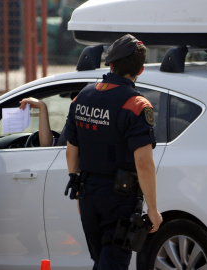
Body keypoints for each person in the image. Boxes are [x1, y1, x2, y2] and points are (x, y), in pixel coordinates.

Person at [63, 34, 163, 269]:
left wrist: (77, 186)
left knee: (102, 261)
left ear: (111, 64)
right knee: (113, 263)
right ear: (140, 70)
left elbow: (71, 150)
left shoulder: (82, 97)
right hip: (119, 199)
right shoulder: (137, 105)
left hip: (87, 195)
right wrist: (154, 209)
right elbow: (144, 164)